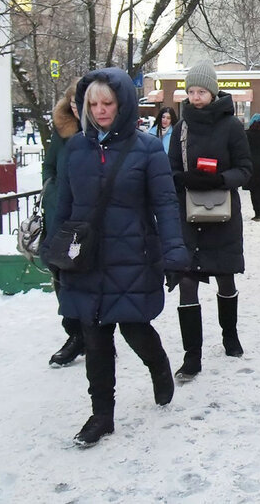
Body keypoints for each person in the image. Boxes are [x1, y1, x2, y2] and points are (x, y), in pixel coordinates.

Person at [42, 67, 189, 447]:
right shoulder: (76, 149)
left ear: (122, 104)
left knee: (134, 327)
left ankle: (159, 368)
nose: (100, 110)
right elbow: (65, 205)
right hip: (87, 259)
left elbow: (165, 204)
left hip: (132, 256)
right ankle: (101, 416)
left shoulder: (147, 148)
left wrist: (174, 252)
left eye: (107, 102)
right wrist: (53, 250)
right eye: (93, 103)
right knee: (94, 336)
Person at [169, 60, 253, 381]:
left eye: (201, 91)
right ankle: (192, 356)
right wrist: (186, 178)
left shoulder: (232, 126)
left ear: (213, 91)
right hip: (188, 219)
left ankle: (229, 335)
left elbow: (245, 169)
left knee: (225, 280)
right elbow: (171, 170)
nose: (195, 97)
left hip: (223, 216)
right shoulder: (181, 128)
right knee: (187, 284)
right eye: (191, 91)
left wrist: (219, 179)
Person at [43, 79, 84, 368]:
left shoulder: (105, 133)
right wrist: (52, 193)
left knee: (84, 275)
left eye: (78, 103)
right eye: (70, 103)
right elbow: (49, 166)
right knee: (59, 273)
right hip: (59, 215)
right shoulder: (62, 131)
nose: (75, 108)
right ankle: (76, 334)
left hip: (86, 218)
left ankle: (93, 334)